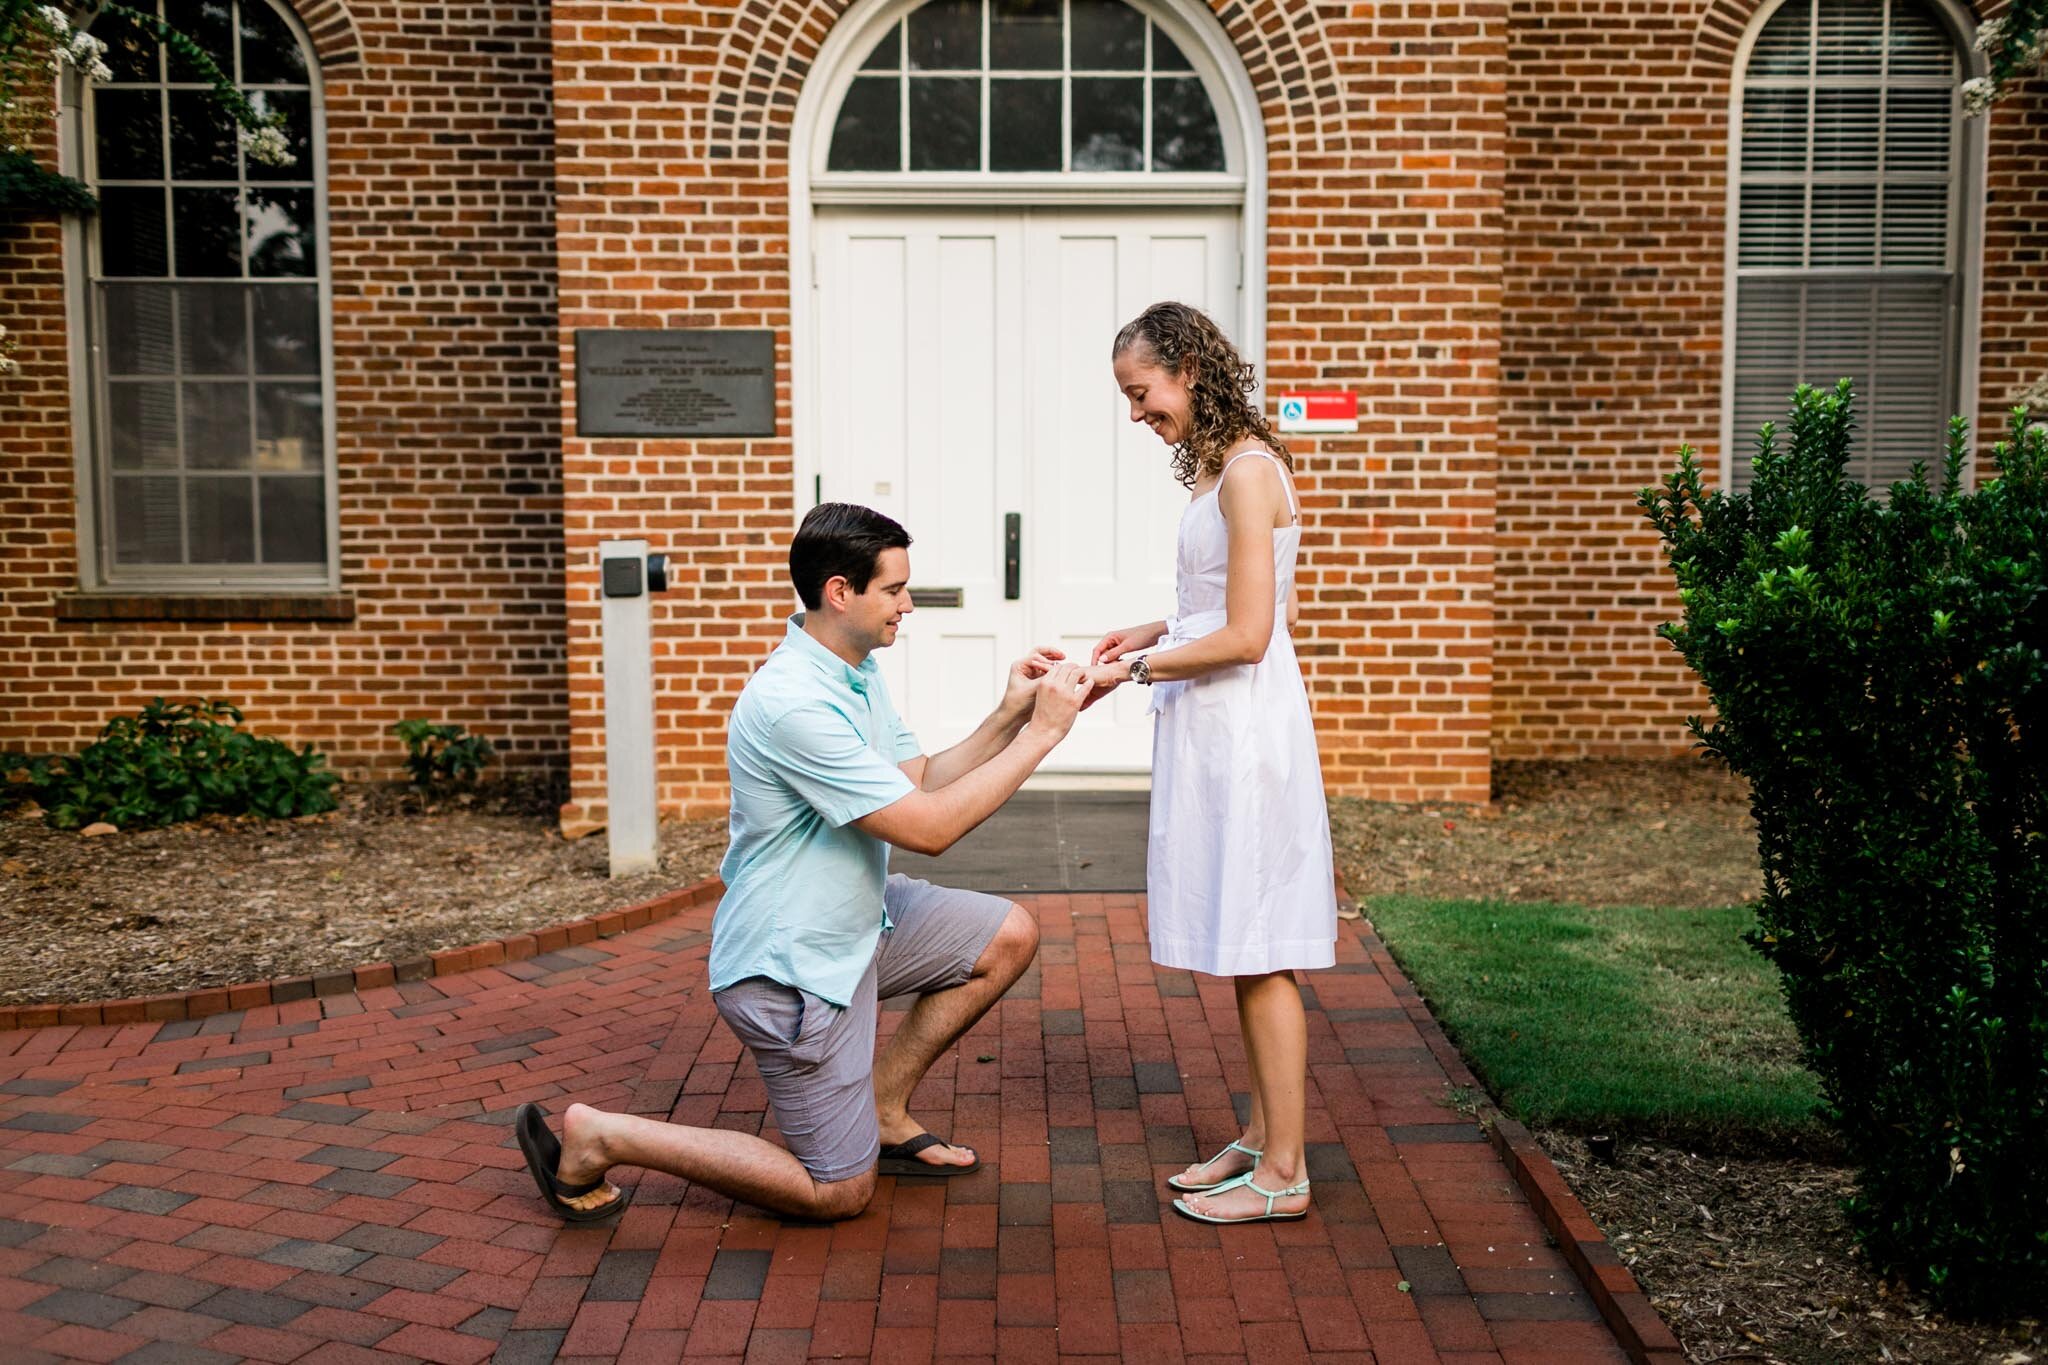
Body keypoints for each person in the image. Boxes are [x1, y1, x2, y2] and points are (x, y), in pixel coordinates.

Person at [517, 502, 1089, 1222]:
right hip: (792, 970)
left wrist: (1011, 714)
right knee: (838, 1191)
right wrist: (1043, 736)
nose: (908, 604)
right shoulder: (792, 704)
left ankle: (878, 1108)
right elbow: (930, 827)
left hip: (857, 923)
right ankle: (602, 1136)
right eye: (894, 589)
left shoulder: (853, 669)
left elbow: (915, 780)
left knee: (1006, 933)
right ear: (840, 592)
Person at [1085, 301, 1339, 1224]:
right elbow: (1213, 604)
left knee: (1262, 944)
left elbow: (1246, 633)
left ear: (1188, 366)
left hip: (1245, 733)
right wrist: (1145, 631)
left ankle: (1285, 1172)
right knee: (1243, 939)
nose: (1136, 413)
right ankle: (1263, 1132)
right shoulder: (1218, 468)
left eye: (1141, 393)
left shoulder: (1247, 473)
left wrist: (1132, 669)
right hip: (1214, 724)